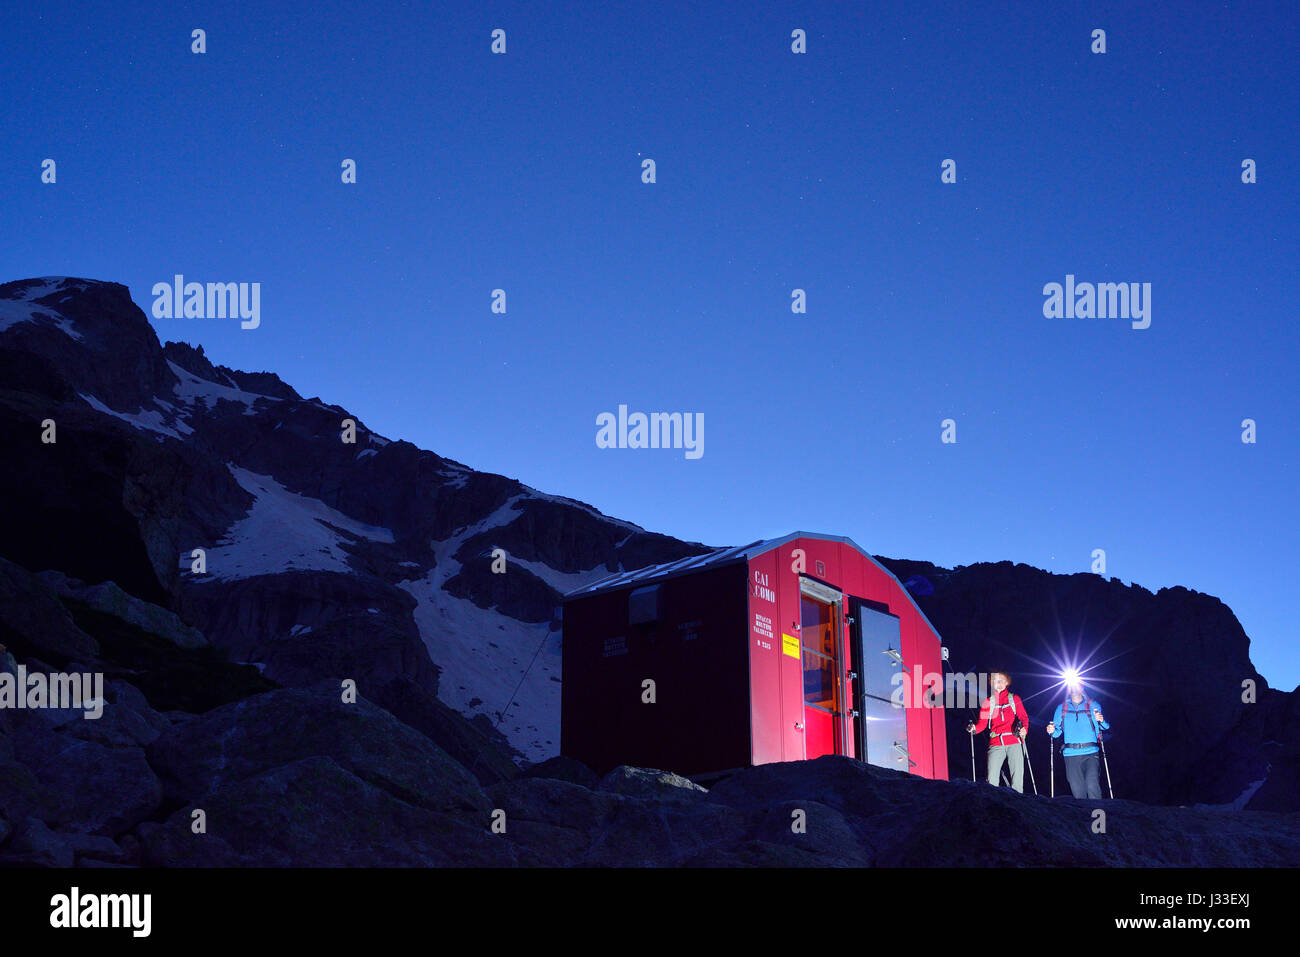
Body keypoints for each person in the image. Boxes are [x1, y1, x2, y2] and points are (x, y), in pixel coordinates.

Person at [967, 671, 1029, 792]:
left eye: (1001, 680)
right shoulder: (988, 702)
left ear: (1007, 682)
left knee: (1017, 778)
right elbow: (982, 723)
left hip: (1014, 741)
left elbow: (1023, 717)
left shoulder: (1014, 699)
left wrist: (1024, 729)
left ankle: (1019, 805)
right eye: (995, 680)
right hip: (996, 743)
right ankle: (993, 806)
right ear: (991, 683)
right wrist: (974, 728)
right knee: (992, 780)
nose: (998, 683)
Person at [1047, 684, 1110, 799]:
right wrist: (1051, 730)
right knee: (1078, 792)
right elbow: (1056, 733)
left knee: (1092, 786)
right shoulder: (1061, 708)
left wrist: (1101, 720)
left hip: (1091, 752)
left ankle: (1099, 816)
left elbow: (1105, 726)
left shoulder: (1093, 705)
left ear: (1082, 688)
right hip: (1071, 754)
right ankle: (1084, 816)